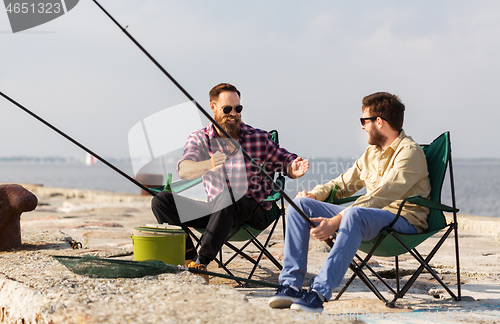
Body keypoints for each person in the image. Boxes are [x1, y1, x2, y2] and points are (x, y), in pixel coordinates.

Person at [268, 92, 431, 312]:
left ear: (380, 122)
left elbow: (381, 196)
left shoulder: (409, 153)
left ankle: (318, 294)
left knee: (354, 214)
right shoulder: (372, 153)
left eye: (364, 120)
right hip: (371, 219)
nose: (362, 126)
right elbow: (343, 183)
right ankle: (290, 285)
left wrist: (337, 220)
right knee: (300, 205)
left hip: (403, 222)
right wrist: (314, 195)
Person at [151, 83, 309, 281]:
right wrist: (208, 164)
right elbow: (184, 169)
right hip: (217, 212)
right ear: (213, 107)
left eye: (238, 108)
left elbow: (286, 161)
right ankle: (189, 258)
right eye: (227, 109)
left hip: (253, 211)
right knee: (161, 201)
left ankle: (202, 263)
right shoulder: (201, 138)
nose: (233, 113)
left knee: (228, 196)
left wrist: (294, 169)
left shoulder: (258, 137)